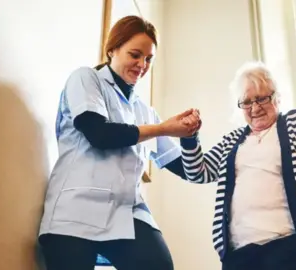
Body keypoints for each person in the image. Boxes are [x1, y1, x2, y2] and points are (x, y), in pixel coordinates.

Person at [178, 61, 296, 270]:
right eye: (247, 102)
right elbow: (198, 172)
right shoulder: (232, 140)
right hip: (239, 251)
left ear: (276, 97)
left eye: (262, 98)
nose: (255, 107)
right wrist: (189, 138)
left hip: (289, 245)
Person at [38, 15, 198, 270]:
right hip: (76, 211)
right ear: (112, 49)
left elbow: (187, 169)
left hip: (127, 212)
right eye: (135, 55)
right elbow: (99, 134)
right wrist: (164, 128)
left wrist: (190, 136)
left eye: (148, 59)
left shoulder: (145, 111)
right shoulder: (86, 79)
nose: (142, 65)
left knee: (159, 265)